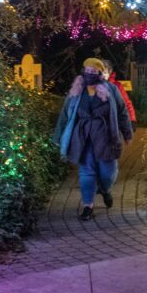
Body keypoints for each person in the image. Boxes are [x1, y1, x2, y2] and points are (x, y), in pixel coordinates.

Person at [53, 58, 133, 220]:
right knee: (86, 171)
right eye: (87, 71)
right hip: (83, 136)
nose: (89, 74)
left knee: (107, 172)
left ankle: (104, 189)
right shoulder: (76, 90)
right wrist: (59, 135)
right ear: (83, 72)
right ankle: (88, 205)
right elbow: (65, 113)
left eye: (93, 71)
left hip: (105, 135)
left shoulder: (110, 89)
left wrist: (127, 133)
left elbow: (122, 111)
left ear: (100, 73)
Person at [102, 59, 137, 129]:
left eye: (105, 72)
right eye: (101, 72)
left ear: (110, 72)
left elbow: (126, 103)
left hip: (116, 122)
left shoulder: (117, 86)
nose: (103, 75)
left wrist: (132, 119)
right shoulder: (94, 86)